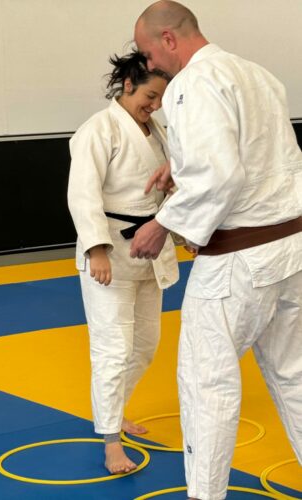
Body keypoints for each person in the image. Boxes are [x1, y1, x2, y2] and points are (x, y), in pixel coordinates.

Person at [132, 2, 302, 499]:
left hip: (238, 259)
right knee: (294, 374)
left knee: (206, 383)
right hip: (292, 247)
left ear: (168, 39)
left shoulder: (193, 82)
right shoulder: (257, 74)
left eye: (149, 53)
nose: (150, 65)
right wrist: (181, 165)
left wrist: (163, 223)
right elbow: (259, 152)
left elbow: (220, 176)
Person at [67, 50, 179, 475]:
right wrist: (95, 248)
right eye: (150, 96)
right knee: (112, 349)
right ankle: (111, 441)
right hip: (111, 251)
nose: (155, 106)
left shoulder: (158, 130)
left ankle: (115, 411)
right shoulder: (98, 130)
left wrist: (183, 231)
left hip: (151, 248)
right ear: (128, 85)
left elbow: (167, 188)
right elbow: (82, 194)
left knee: (145, 346)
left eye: (161, 99)